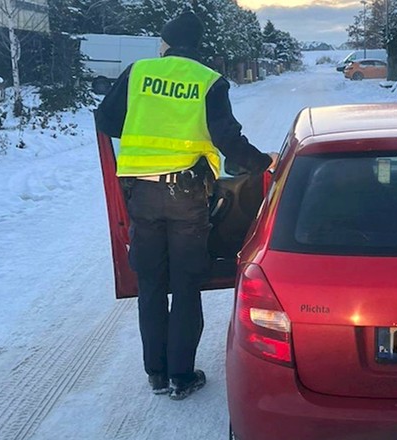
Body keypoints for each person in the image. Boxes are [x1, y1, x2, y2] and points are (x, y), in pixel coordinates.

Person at [94, 11, 274, 400]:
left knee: (152, 285)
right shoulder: (209, 81)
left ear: (165, 43)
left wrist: (148, 127)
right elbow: (228, 140)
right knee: (188, 284)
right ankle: (181, 376)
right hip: (188, 196)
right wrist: (264, 164)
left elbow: (106, 120)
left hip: (141, 195)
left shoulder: (138, 72)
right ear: (197, 46)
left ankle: (155, 374)